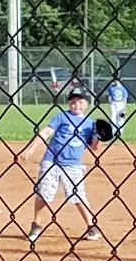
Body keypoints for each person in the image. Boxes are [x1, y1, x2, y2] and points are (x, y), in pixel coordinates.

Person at [18, 88, 104, 245]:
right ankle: (36, 223)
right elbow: (45, 132)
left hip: (73, 165)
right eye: (73, 101)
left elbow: (93, 147)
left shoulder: (90, 123)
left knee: (78, 195)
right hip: (51, 161)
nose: (76, 105)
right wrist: (30, 149)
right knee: (44, 194)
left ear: (86, 104)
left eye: (80, 101)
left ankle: (91, 226)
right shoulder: (62, 117)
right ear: (68, 103)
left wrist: (98, 137)